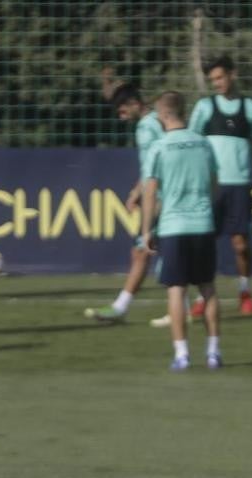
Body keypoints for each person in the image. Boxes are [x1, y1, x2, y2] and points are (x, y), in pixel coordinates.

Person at [82, 83, 172, 327]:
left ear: (134, 103)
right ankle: (176, 308)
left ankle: (123, 307)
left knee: (144, 250)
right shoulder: (153, 122)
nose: (120, 117)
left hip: (162, 197)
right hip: (159, 195)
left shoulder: (148, 126)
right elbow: (150, 166)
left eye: (122, 110)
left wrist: (156, 197)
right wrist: (136, 191)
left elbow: (162, 162)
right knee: (148, 251)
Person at [142, 92, 220, 372]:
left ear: (163, 115)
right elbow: (214, 182)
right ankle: (213, 352)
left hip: (174, 226)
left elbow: (150, 191)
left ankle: (182, 354)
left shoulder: (159, 147)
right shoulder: (204, 143)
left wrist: (147, 229)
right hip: (202, 223)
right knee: (208, 288)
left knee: (176, 289)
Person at [187, 55, 252, 316]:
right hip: (212, 188)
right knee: (204, 244)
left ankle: (245, 290)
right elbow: (192, 144)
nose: (217, 83)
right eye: (213, 80)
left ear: (233, 74)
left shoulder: (251, 109)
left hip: (240, 186)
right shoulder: (205, 108)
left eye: (220, 77)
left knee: (240, 244)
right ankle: (203, 296)